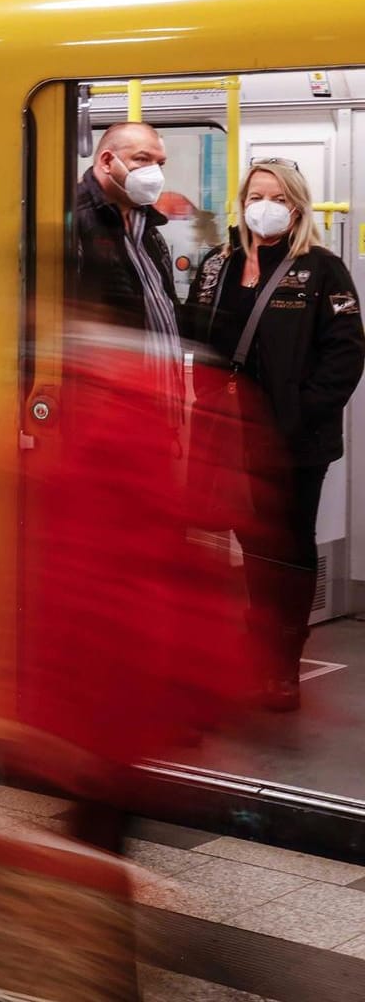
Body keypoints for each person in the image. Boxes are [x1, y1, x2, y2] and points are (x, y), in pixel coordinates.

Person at [185, 159, 365, 711]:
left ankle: (283, 664)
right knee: (248, 542)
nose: (266, 205)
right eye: (256, 194)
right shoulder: (218, 265)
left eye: (278, 196)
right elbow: (196, 331)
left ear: (296, 205)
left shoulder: (322, 269)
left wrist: (300, 413)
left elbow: (346, 352)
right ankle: (256, 652)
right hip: (230, 433)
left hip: (294, 441)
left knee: (286, 550)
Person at [73, 122, 184, 424]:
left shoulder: (148, 228)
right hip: (108, 411)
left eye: (160, 163)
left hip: (160, 408)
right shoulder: (75, 224)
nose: (155, 172)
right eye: (142, 159)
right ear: (108, 161)